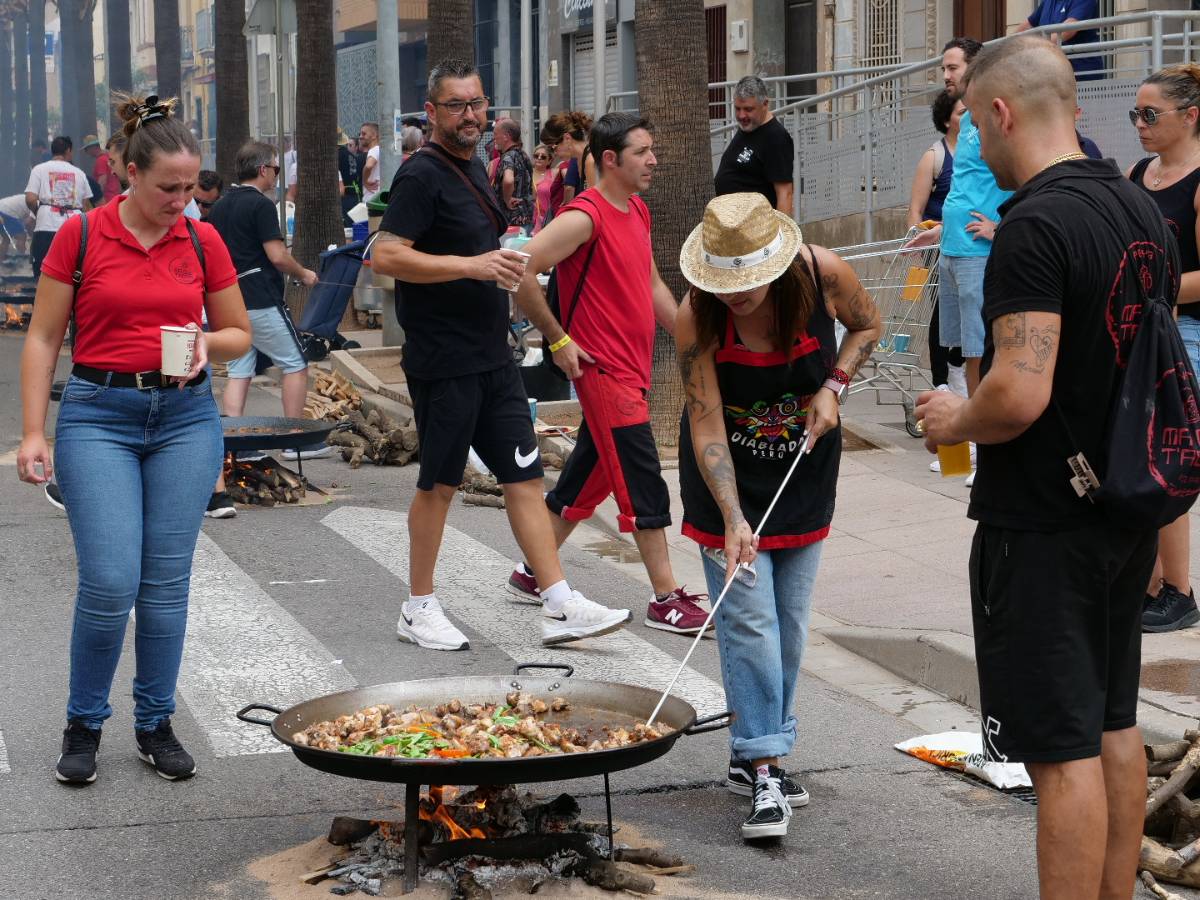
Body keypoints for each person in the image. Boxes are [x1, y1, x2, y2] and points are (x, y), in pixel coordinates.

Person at [916, 36, 1177, 899]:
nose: (975, 153)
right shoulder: (1137, 202)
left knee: (1060, 755)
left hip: (1044, 524)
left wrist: (958, 411)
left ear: (1000, 111)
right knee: (1114, 727)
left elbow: (1018, 394)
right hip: (1127, 505)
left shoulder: (1033, 224)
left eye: (973, 129)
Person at [16, 92, 251, 785]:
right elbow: (42, 337)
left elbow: (239, 332)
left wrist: (209, 343)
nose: (183, 199)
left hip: (184, 419)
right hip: (99, 414)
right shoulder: (81, 235)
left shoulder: (201, 239)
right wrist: (34, 432)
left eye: (190, 186)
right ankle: (84, 722)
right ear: (128, 173)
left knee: (165, 584)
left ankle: (154, 723)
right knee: (111, 580)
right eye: (168, 188)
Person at [370, 58, 631, 652]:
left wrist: (556, 336)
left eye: (478, 104)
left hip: (493, 357)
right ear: (432, 112)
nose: (471, 116)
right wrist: (470, 265)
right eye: (458, 106)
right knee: (438, 485)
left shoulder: (478, 171)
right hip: (444, 361)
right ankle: (418, 606)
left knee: (525, 477)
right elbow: (384, 256)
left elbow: (508, 269)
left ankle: (560, 602)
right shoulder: (421, 175)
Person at [676, 192, 880, 840]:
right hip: (725, 483)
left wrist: (834, 386)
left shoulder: (823, 277)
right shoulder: (697, 315)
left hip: (804, 471)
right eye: (724, 282)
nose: (735, 295)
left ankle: (754, 748)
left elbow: (868, 326)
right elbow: (705, 416)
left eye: (747, 283)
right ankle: (765, 767)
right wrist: (733, 516)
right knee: (749, 621)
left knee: (789, 625)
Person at [510, 112, 706, 636]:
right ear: (611, 159)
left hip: (633, 369)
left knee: (588, 475)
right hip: (603, 373)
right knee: (643, 480)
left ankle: (534, 571)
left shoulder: (637, 211)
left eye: (653, 150)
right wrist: (557, 339)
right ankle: (665, 598)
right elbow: (521, 269)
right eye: (643, 152)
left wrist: (692, 340)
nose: (653, 160)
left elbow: (651, 285)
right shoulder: (584, 216)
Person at [907, 37, 1011, 486]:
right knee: (955, 353)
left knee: (976, 350)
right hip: (950, 249)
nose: (945, 75)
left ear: (974, 67)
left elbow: (1018, 175)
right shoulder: (966, 118)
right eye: (944, 68)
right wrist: (939, 231)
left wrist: (1000, 227)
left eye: (951, 67)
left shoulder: (992, 114)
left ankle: (981, 449)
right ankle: (960, 446)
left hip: (976, 253)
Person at [1126, 64, 1200, 634]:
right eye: (1136, 114)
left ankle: (1178, 590)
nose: (1140, 124)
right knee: (1139, 455)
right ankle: (1147, 584)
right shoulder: (1137, 172)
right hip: (1144, 329)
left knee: (1166, 458)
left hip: (1187, 335)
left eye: (1151, 114)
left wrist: (1158, 290)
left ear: (1191, 117)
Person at [205, 141, 326, 460]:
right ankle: (294, 439)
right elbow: (277, 256)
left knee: (240, 368)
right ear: (262, 170)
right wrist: (304, 273)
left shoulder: (219, 206)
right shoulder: (260, 205)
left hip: (229, 299)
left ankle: (238, 444)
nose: (276, 175)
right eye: (275, 168)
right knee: (295, 363)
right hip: (261, 296)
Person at [908, 89, 967, 397]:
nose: (969, 117)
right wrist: (917, 256)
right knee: (942, 314)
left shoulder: (977, 152)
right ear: (947, 120)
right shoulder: (935, 156)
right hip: (937, 249)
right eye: (961, 113)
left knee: (963, 312)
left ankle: (958, 374)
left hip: (967, 246)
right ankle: (941, 378)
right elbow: (916, 210)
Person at [714, 75, 796, 216]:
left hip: (757, 229)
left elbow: (785, 193)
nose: (741, 115)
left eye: (748, 109)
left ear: (765, 104)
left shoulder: (775, 137)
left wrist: (782, 235)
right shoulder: (749, 127)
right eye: (738, 108)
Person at [25, 136, 93, 279]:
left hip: (45, 227)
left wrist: (40, 212)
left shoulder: (39, 169)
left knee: (42, 273)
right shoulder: (80, 173)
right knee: (71, 274)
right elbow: (87, 206)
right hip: (74, 228)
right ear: (68, 151)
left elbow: (30, 199)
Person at [1016, 0, 1102, 81]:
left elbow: (1068, 30)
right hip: (1053, 72)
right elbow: (1028, 25)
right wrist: (1007, 44)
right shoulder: (1049, 1)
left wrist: (1035, 46)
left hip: (1080, 73)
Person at [541, 111, 593, 205]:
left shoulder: (590, 160)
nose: (554, 153)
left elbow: (595, 204)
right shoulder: (580, 159)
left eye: (553, 147)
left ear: (567, 138)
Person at [491, 118, 534, 229]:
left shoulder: (508, 156)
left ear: (506, 136)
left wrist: (507, 199)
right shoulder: (524, 155)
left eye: (495, 134)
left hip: (510, 221)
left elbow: (508, 180)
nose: (493, 138)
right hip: (526, 217)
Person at [82, 134, 121, 204]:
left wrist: (96, 199)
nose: (86, 152)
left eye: (86, 149)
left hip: (106, 200)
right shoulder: (108, 157)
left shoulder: (100, 160)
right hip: (114, 197)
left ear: (93, 147)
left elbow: (102, 181)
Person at [530, 143, 560, 233]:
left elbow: (566, 163)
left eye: (543, 157)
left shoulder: (554, 173)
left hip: (549, 218)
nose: (539, 158)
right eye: (536, 156)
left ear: (549, 160)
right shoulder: (527, 173)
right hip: (529, 220)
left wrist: (557, 148)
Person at [0, 193, 33, 259]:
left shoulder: (28, 198)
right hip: (6, 213)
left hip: (2, 209)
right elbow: (28, 222)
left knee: (6, 238)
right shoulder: (36, 203)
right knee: (22, 236)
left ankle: (1, 258)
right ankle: (21, 258)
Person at [359, 122, 382, 201]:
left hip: (371, 199)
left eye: (364, 134)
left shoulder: (374, 150)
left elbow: (369, 165)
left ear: (374, 136)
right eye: (360, 134)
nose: (360, 137)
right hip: (376, 197)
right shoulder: (380, 150)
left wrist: (365, 181)